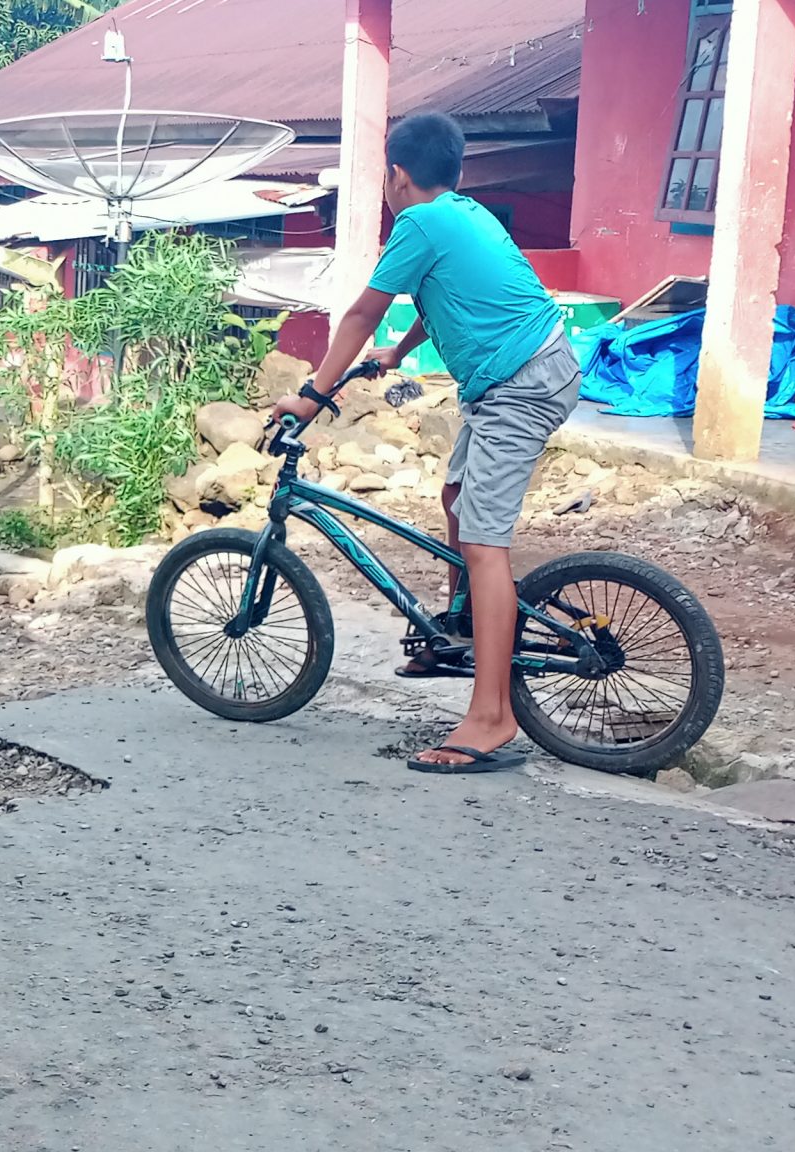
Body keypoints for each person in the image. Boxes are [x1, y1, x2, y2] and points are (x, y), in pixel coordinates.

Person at [272, 112, 580, 774]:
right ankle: (462, 635)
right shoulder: (461, 213)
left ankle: (492, 717)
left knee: (482, 543)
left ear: (397, 175)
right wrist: (400, 351)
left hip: (519, 383)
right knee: (457, 496)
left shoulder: (416, 222)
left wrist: (311, 394)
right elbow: (446, 296)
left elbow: (361, 311)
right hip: (529, 370)